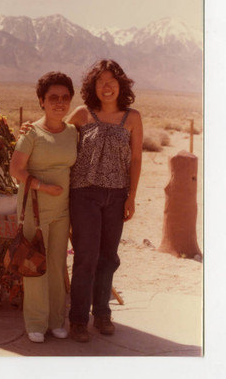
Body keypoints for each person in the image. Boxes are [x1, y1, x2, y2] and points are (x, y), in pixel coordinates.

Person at [66, 59, 143, 342]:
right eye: (101, 81)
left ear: (121, 84)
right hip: (84, 194)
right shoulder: (82, 114)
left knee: (108, 258)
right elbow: (54, 133)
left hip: (117, 195)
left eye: (112, 81)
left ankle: (102, 314)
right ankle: (77, 319)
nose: (107, 86)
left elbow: (136, 158)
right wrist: (31, 128)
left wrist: (131, 197)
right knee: (86, 258)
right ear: (93, 86)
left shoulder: (132, 117)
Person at [9, 71, 78, 343]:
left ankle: (58, 320)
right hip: (34, 211)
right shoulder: (32, 133)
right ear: (41, 100)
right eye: (53, 98)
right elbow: (15, 170)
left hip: (62, 211)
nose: (59, 103)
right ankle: (36, 323)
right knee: (35, 264)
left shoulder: (73, 132)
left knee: (58, 264)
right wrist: (43, 187)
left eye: (64, 98)